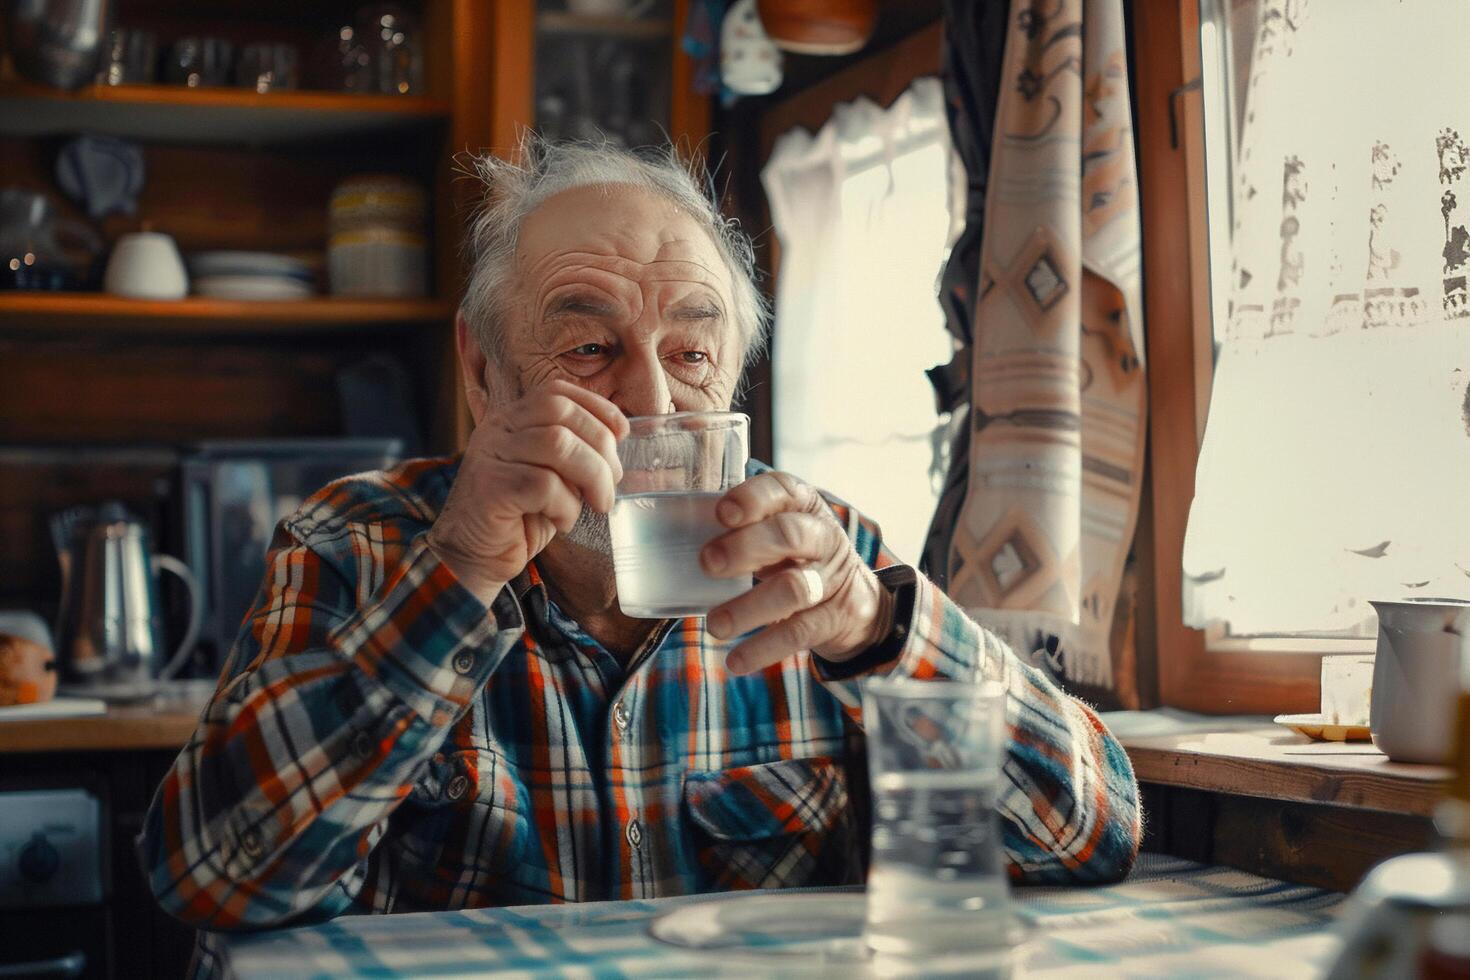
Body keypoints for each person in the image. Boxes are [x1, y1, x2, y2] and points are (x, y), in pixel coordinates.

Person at [139, 137, 1140, 973]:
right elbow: (213, 876)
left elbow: (1092, 831)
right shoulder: (357, 541)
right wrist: (461, 570)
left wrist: (879, 627)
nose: (652, 405)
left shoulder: (816, 568)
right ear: (484, 371)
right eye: (588, 349)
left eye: (692, 354)